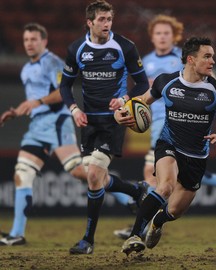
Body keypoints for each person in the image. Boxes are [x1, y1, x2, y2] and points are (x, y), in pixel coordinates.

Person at [113, 14, 216, 240]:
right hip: (165, 133)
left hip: (196, 152)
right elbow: (140, 100)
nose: (212, 61)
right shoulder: (158, 71)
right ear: (191, 59)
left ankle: (156, 221)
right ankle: (135, 234)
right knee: (163, 186)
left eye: (166, 33)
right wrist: (121, 113)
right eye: (207, 57)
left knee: (175, 209)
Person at [60, 0, 149, 254]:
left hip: (115, 120)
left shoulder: (124, 47)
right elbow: (65, 86)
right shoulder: (77, 49)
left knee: (94, 176)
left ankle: (88, 241)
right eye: (101, 20)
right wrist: (74, 110)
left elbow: (142, 83)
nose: (106, 24)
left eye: (109, 19)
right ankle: (136, 190)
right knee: (94, 176)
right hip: (89, 122)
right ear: (89, 22)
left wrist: (124, 99)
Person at [0, 22, 88, 246]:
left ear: (44, 41)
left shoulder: (52, 62)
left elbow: (62, 91)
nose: (29, 43)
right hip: (37, 127)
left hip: (56, 122)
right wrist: (17, 111)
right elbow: (34, 101)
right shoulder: (26, 69)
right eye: (26, 40)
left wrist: (37, 102)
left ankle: (130, 195)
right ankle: (17, 233)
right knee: (22, 173)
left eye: (34, 39)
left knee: (78, 171)